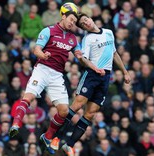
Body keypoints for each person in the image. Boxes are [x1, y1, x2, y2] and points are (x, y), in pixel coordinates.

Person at [9, 3, 103, 155]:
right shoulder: (49, 30)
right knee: (29, 96)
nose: (72, 23)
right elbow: (36, 49)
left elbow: (80, 56)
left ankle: (47, 137)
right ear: (63, 17)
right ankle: (16, 124)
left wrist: (93, 67)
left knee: (64, 111)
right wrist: (43, 55)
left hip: (57, 75)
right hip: (42, 69)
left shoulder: (73, 38)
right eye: (71, 19)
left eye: (74, 21)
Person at [50, 13, 131, 156]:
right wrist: (94, 68)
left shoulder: (108, 32)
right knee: (77, 105)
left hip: (105, 77)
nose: (86, 23)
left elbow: (114, 53)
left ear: (91, 19)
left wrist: (124, 71)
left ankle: (69, 145)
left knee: (91, 113)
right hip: (92, 75)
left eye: (86, 20)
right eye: (82, 24)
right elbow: (84, 59)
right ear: (83, 28)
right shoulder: (87, 39)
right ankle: (55, 137)